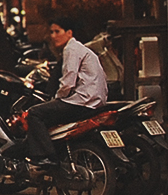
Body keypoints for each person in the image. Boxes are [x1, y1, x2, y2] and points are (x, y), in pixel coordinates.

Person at [24, 15, 107, 165]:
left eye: (57, 31)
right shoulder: (81, 49)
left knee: (34, 113)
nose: (53, 36)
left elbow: (68, 80)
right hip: (94, 100)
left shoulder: (71, 49)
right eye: (52, 32)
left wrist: (57, 98)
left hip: (82, 101)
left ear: (69, 33)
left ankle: (46, 156)